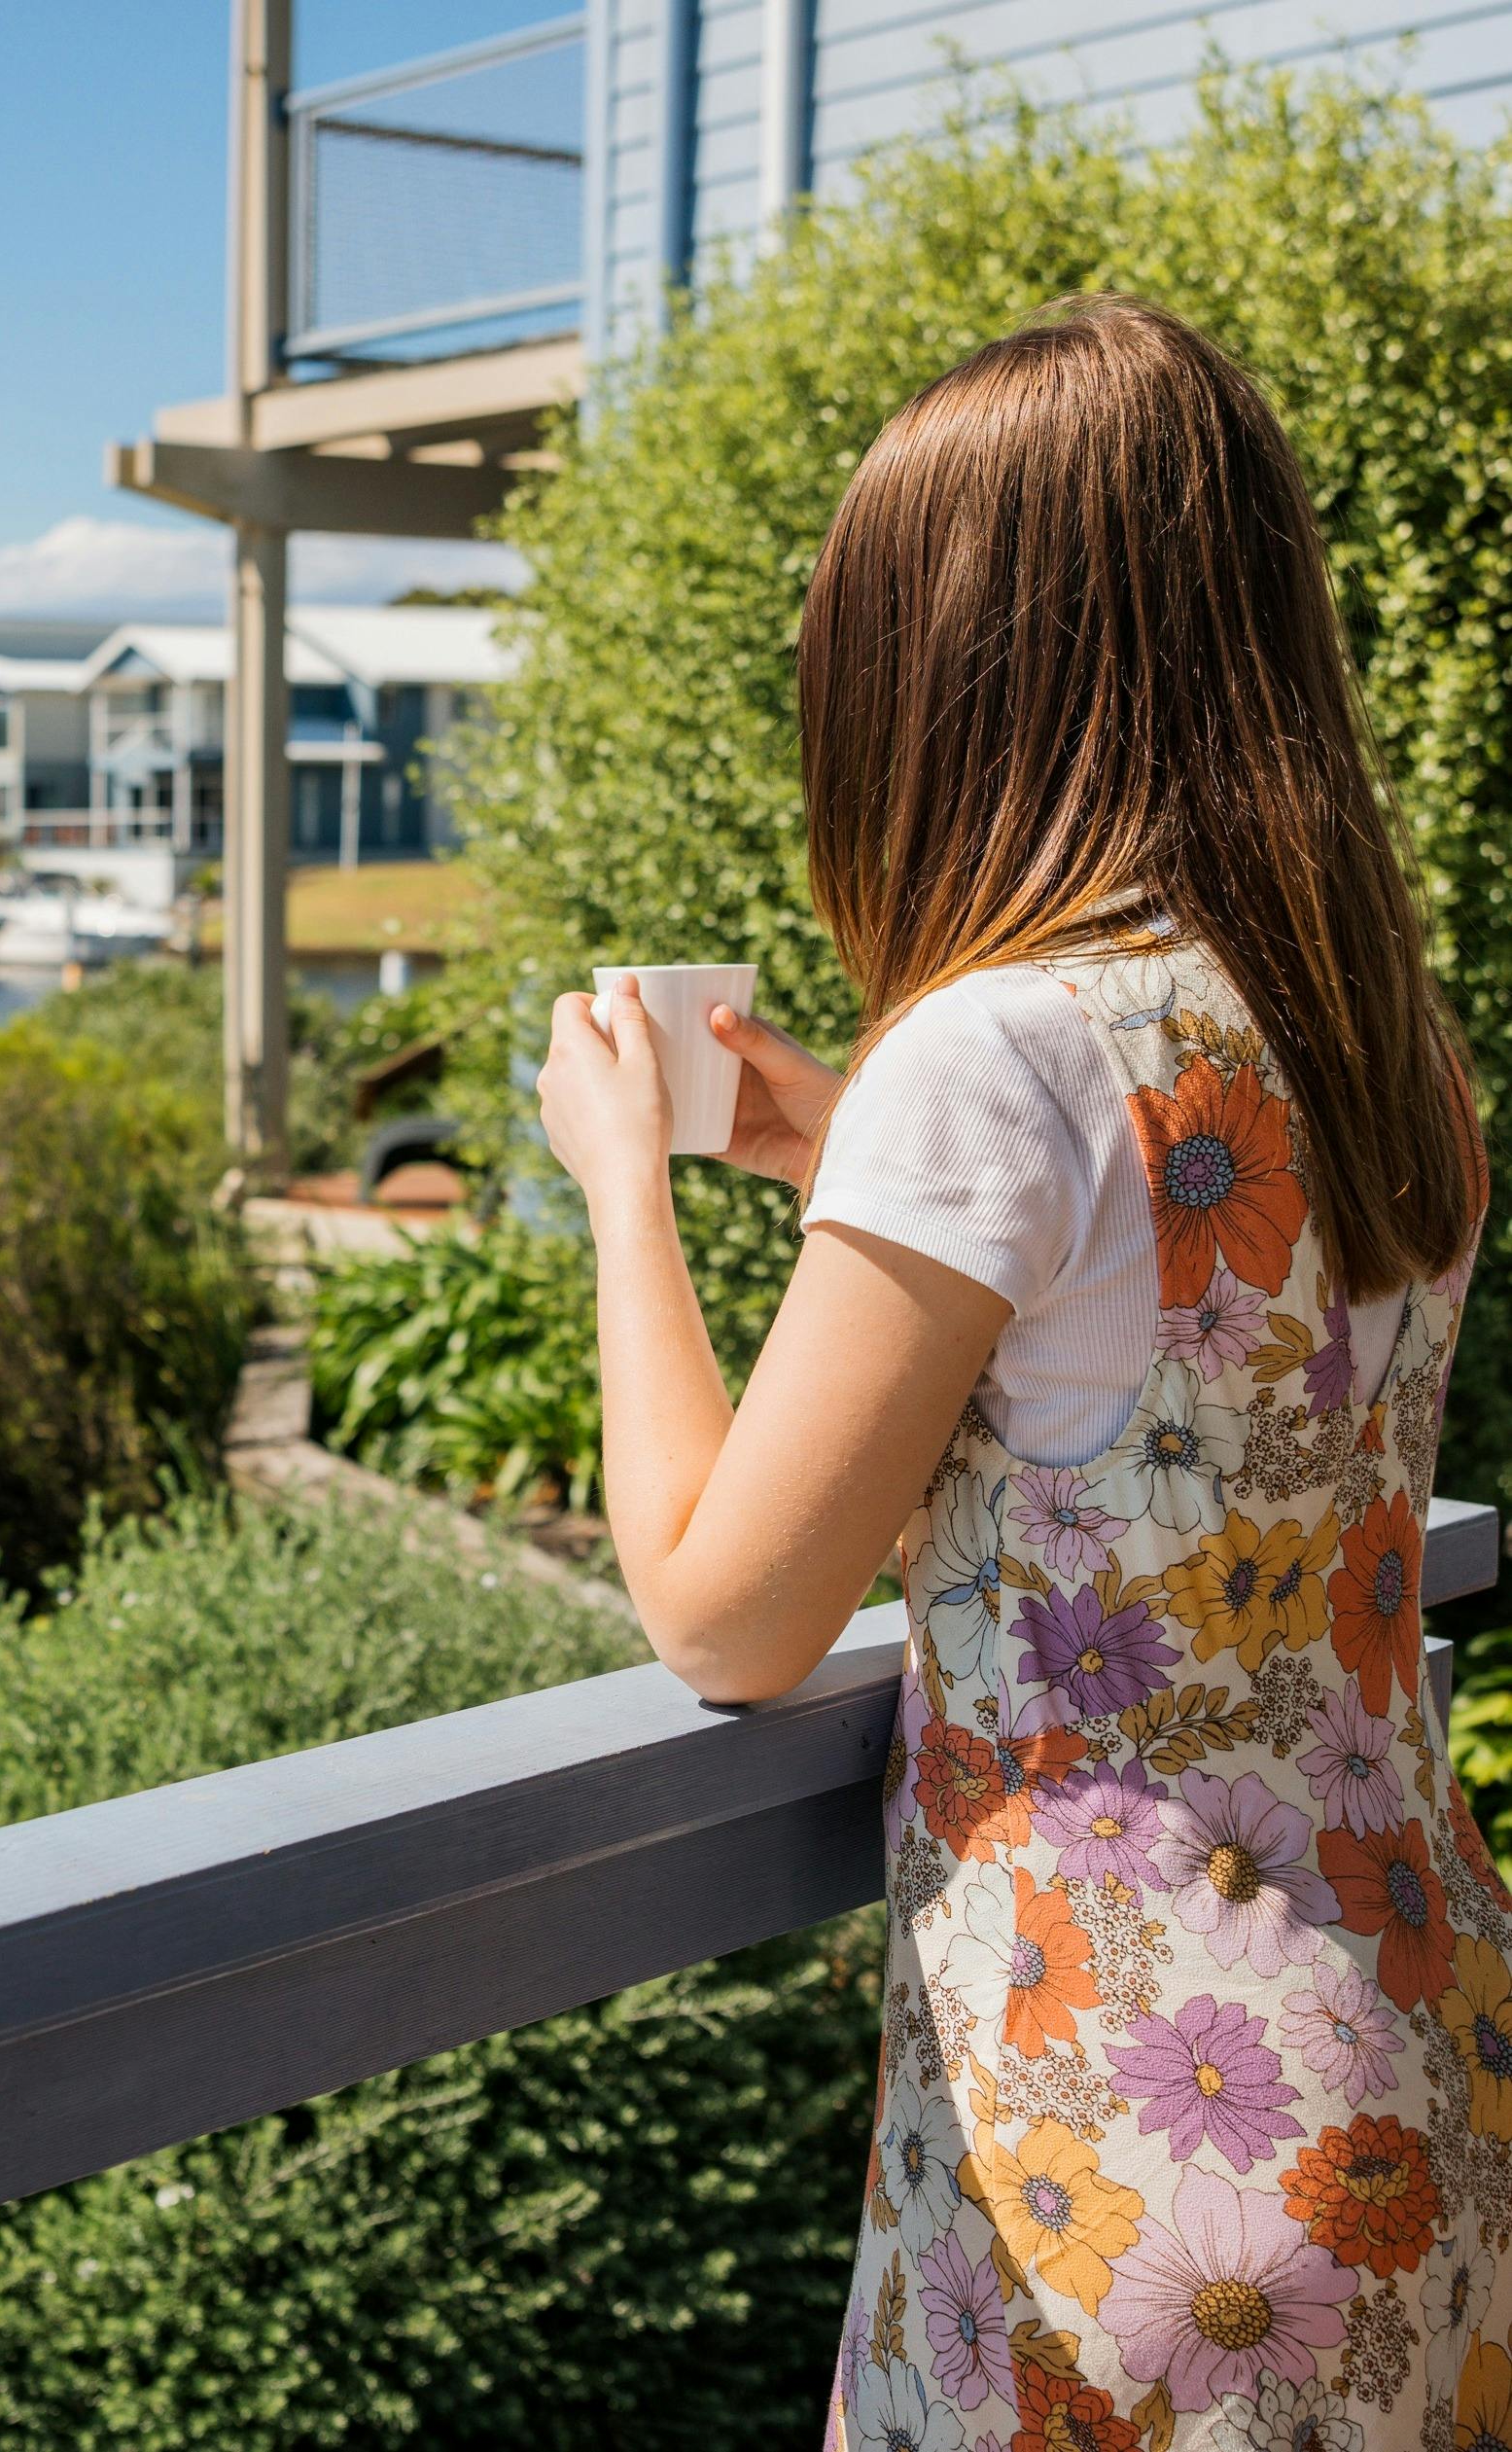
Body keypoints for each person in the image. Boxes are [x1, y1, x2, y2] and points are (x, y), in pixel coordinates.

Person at [535, 296, 1494, 2449]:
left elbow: (723, 1605)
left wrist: (624, 1182)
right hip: (1418, 2056)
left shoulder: (992, 1050)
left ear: (952, 676)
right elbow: (1168, 1355)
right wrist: (843, 1166)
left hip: (1124, 2170)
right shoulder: (1373, 1039)